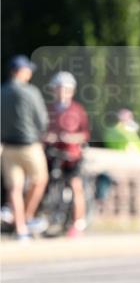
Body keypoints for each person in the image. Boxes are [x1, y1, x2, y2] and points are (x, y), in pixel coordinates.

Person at [0, 55, 49, 240]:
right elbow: (41, 120)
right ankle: (27, 217)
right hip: (29, 145)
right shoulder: (30, 92)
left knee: (14, 188)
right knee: (39, 181)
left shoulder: (1, 91)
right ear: (19, 71)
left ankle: (20, 228)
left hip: (7, 146)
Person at [44, 71, 90, 237]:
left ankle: (78, 223)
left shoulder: (78, 110)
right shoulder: (49, 109)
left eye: (66, 89)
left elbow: (85, 134)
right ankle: (42, 218)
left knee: (75, 186)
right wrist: (48, 137)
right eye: (59, 88)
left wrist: (71, 138)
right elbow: (42, 131)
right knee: (43, 182)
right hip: (52, 153)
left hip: (71, 155)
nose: (62, 92)